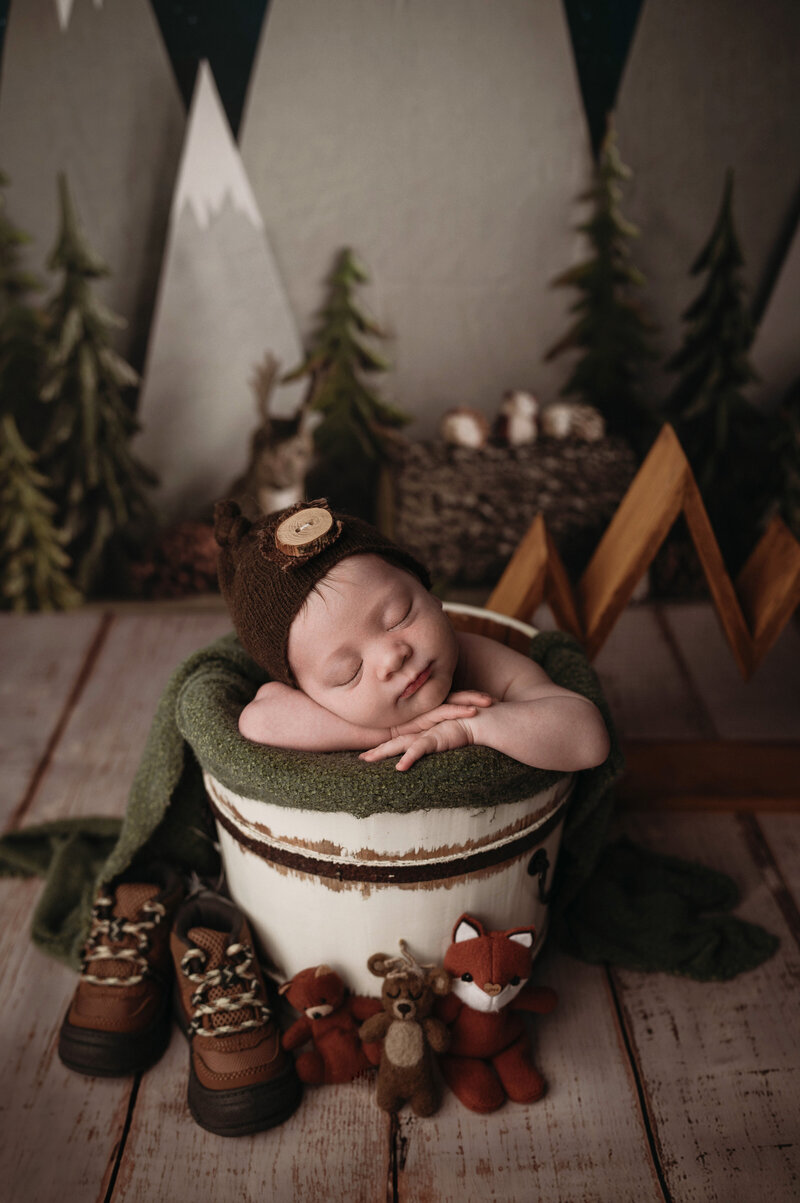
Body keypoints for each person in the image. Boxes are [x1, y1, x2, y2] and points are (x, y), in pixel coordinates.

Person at [215, 498, 609, 773]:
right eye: (348, 672)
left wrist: (471, 726)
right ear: (304, 690)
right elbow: (258, 720)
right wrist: (392, 730)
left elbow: (587, 738)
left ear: (432, 595)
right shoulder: (309, 708)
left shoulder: (480, 661)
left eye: (398, 616)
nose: (392, 657)